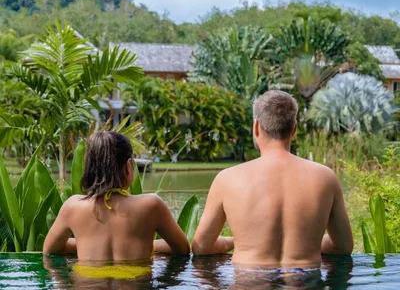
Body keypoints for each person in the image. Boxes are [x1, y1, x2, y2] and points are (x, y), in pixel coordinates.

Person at [192, 90, 353, 268]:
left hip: (249, 285)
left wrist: (237, 242)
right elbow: (343, 247)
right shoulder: (325, 178)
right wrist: (309, 243)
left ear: (256, 127)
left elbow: (201, 247)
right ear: (294, 129)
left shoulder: (227, 179)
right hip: (305, 287)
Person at [43, 131, 190, 261]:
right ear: (128, 166)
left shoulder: (73, 206)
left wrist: (85, 242)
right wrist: (147, 244)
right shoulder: (151, 205)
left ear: (88, 168)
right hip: (136, 289)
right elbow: (182, 249)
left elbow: (50, 250)